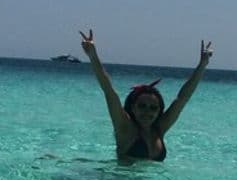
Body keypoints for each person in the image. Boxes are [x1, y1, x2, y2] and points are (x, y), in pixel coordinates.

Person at [79, 30, 213, 162]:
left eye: (153, 108)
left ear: (159, 111)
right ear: (133, 107)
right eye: (142, 106)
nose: (147, 112)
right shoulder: (125, 128)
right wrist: (92, 55)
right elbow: (109, 91)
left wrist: (203, 65)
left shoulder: (159, 129)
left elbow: (183, 98)